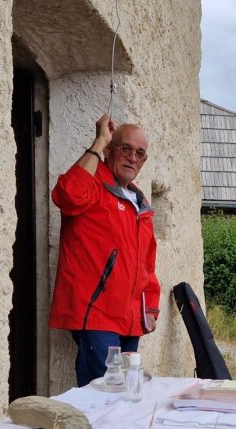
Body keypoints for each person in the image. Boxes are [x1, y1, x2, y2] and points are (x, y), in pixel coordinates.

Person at [49, 113, 160, 389]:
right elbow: (66, 195)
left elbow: (146, 263)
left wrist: (151, 307)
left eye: (140, 153)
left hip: (131, 318)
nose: (133, 157)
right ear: (110, 150)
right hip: (96, 313)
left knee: (126, 392)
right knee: (103, 393)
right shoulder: (93, 184)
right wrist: (98, 142)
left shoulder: (139, 203)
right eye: (125, 148)